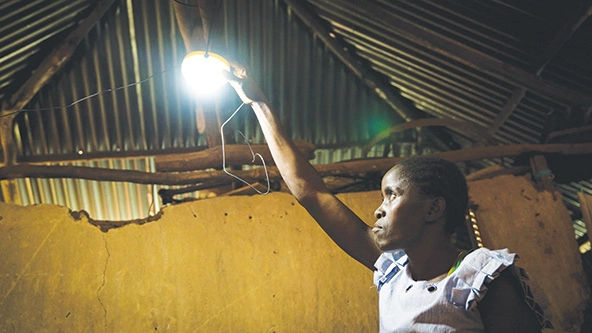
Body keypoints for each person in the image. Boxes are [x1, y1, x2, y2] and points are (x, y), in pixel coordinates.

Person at [225, 65, 553, 332]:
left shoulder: (480, 280)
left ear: (434, 208)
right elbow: (310, 192)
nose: (377, 211)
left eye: (392, 196)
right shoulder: (394, 273)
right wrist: (260, 104)